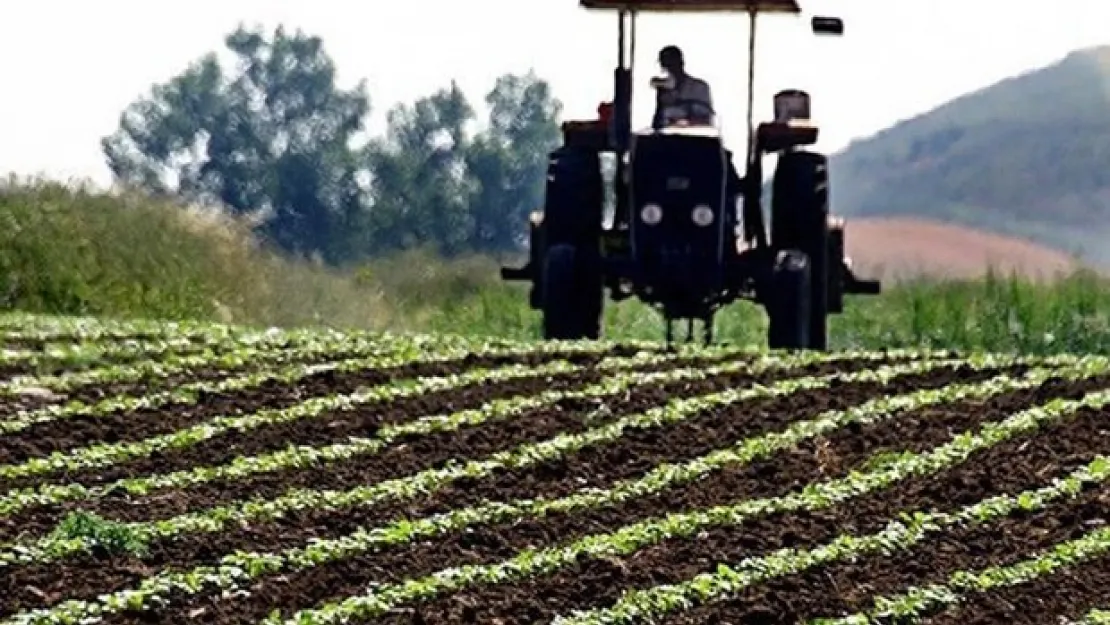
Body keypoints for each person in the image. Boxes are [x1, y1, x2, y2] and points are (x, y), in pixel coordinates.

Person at [652, 45, 715, 128]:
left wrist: (685, 120)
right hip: (669, 137)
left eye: (672, 63)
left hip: (695, 137)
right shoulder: (665, 89)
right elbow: (658, 124)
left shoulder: (699, 87)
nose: (669, 69)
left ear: (681, 62)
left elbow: (706, 118)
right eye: (666, 65)